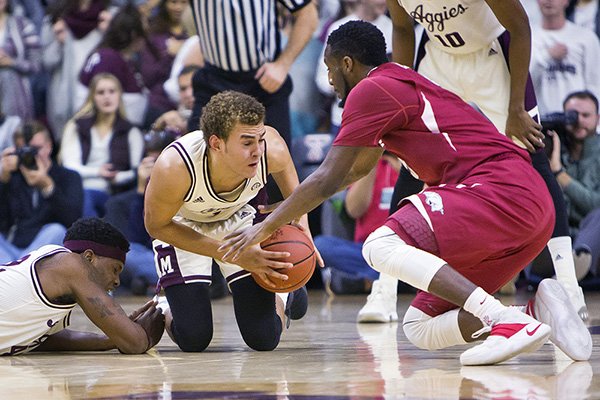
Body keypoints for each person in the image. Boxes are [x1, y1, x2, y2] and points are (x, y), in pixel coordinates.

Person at [220, 21, 591, 365]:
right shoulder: (395, 82)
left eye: (331, 68)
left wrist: (263, 229)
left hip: (498, 187)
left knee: (379, 246)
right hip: (525, 205)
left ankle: (503, 320)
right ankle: (534, 312)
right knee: (420, 327)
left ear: (347, 63)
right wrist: (285, 210)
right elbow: (360, 167)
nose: (330, 79)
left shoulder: (371, 88)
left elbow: (328, 177)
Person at [358, 0, 588, 322]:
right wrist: (400, 86)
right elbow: (401, 27)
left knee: (534, 156)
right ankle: (384, 293)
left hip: (492, 55)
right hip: (438, 59)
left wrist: (516, 109)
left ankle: (568, 286)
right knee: (412, 164)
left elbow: (519, 26)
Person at [144, 90, 313, 352]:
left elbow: (299, 201)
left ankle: (283, 294)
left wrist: (305, 245)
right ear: (216, 143)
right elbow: (156, 225)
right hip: (182, 225)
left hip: (239, 219)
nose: (257, 151)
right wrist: (233, 255)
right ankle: (166, 303)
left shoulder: (273, 150)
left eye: (260, 139)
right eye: (247, 143)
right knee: (194, 339)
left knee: (263, 338)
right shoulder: (175, 166)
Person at [0, 217, 165, 355]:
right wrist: (151, 326)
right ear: (88, 257)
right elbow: (136, 344)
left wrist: (112, 338)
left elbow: (41, 339)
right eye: (115, 269)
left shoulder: (56, 277)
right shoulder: (71, 265)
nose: (117, 281)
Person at [60, 73, 144, 218]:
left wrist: (117, 177)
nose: (107, 97)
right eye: (100, 92)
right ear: (93, 97)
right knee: (84, 197)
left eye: (112, 91)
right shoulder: (76, 126)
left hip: (111, 194)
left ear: (119, 95)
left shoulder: (131, 131)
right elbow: (69, 166)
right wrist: (98, 172)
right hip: (78, 189)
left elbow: (137, 171)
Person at [0, 121, 83, 264]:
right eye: (24, 150)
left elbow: (73, 221)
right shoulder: (12, 177)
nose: (31, 155)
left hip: (43, 251)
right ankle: (16, 272)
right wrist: (2, 181)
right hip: (10, 249)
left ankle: (15, 272)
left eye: (36, 149)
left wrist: (48, 186)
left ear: (49, 146)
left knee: (56, 230)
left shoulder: (69, 177)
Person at [316, 153, 400, 294]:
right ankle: (393, 278)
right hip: (367, 251)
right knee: (321, 245)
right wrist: (370, 164)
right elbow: (354, 210)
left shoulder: (413, 167)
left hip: (401, 249)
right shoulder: (366, 167)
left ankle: (372, 280)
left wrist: (405, 173)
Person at [542, 91, 600, 281]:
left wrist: (560, 174)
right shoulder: (553, 147)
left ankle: (568, 271)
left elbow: (595, 204)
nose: (578, 121)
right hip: (559, 237)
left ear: (597, 119)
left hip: (591, 243)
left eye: (586, 116)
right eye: (572, 115)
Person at [530, 0, 600, 116]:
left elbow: (595, 84)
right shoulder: (528, 37)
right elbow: (523, 83)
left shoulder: (586, 37)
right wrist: (546, 56)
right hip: (541, 118)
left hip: (578, 120)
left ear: (567, 1)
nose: (549, 1)